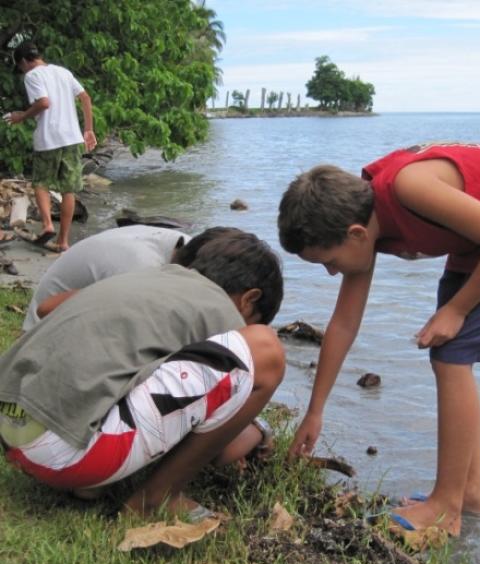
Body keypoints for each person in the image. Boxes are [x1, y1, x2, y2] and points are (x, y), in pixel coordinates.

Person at [277, 141, 480, 538]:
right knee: (448, 355)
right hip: (477, 238)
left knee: (450, 358)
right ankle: (468, 494)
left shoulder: (409, 189)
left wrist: (457, 310)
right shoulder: (362, 224)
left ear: (355, 234)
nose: (330, 272)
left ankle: (447, 506)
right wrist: (315, 411)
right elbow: (343, 323)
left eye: (329, 261)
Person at [0, 232, 285, 518]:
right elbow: (223, 451)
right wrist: (258, 431)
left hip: (11, 432)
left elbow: (48, 307)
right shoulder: (222, 309)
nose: (242, 328)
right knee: (266, 349)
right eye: (251, 320)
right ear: (249, 300)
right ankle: (155, 499)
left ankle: (92, 482)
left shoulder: (150, 277)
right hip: (59, 454)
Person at [22, 224, 242, 331]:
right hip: (44, 332)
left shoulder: (191, 247)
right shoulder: (142, 270)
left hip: (79, 312)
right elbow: (47, 310)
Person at [6, 41, 97, 252]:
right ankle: (63, 241)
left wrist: (22, 116)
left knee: (40, 184)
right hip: (73, 138)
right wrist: (89, 129)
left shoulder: (32, 76)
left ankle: (47, 224)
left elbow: (44, 103)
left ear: (23, 62)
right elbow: (85, 97)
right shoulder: (62, 72)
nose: (22, 70)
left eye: (20, 67)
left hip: (49, 138)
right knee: (68, 189)